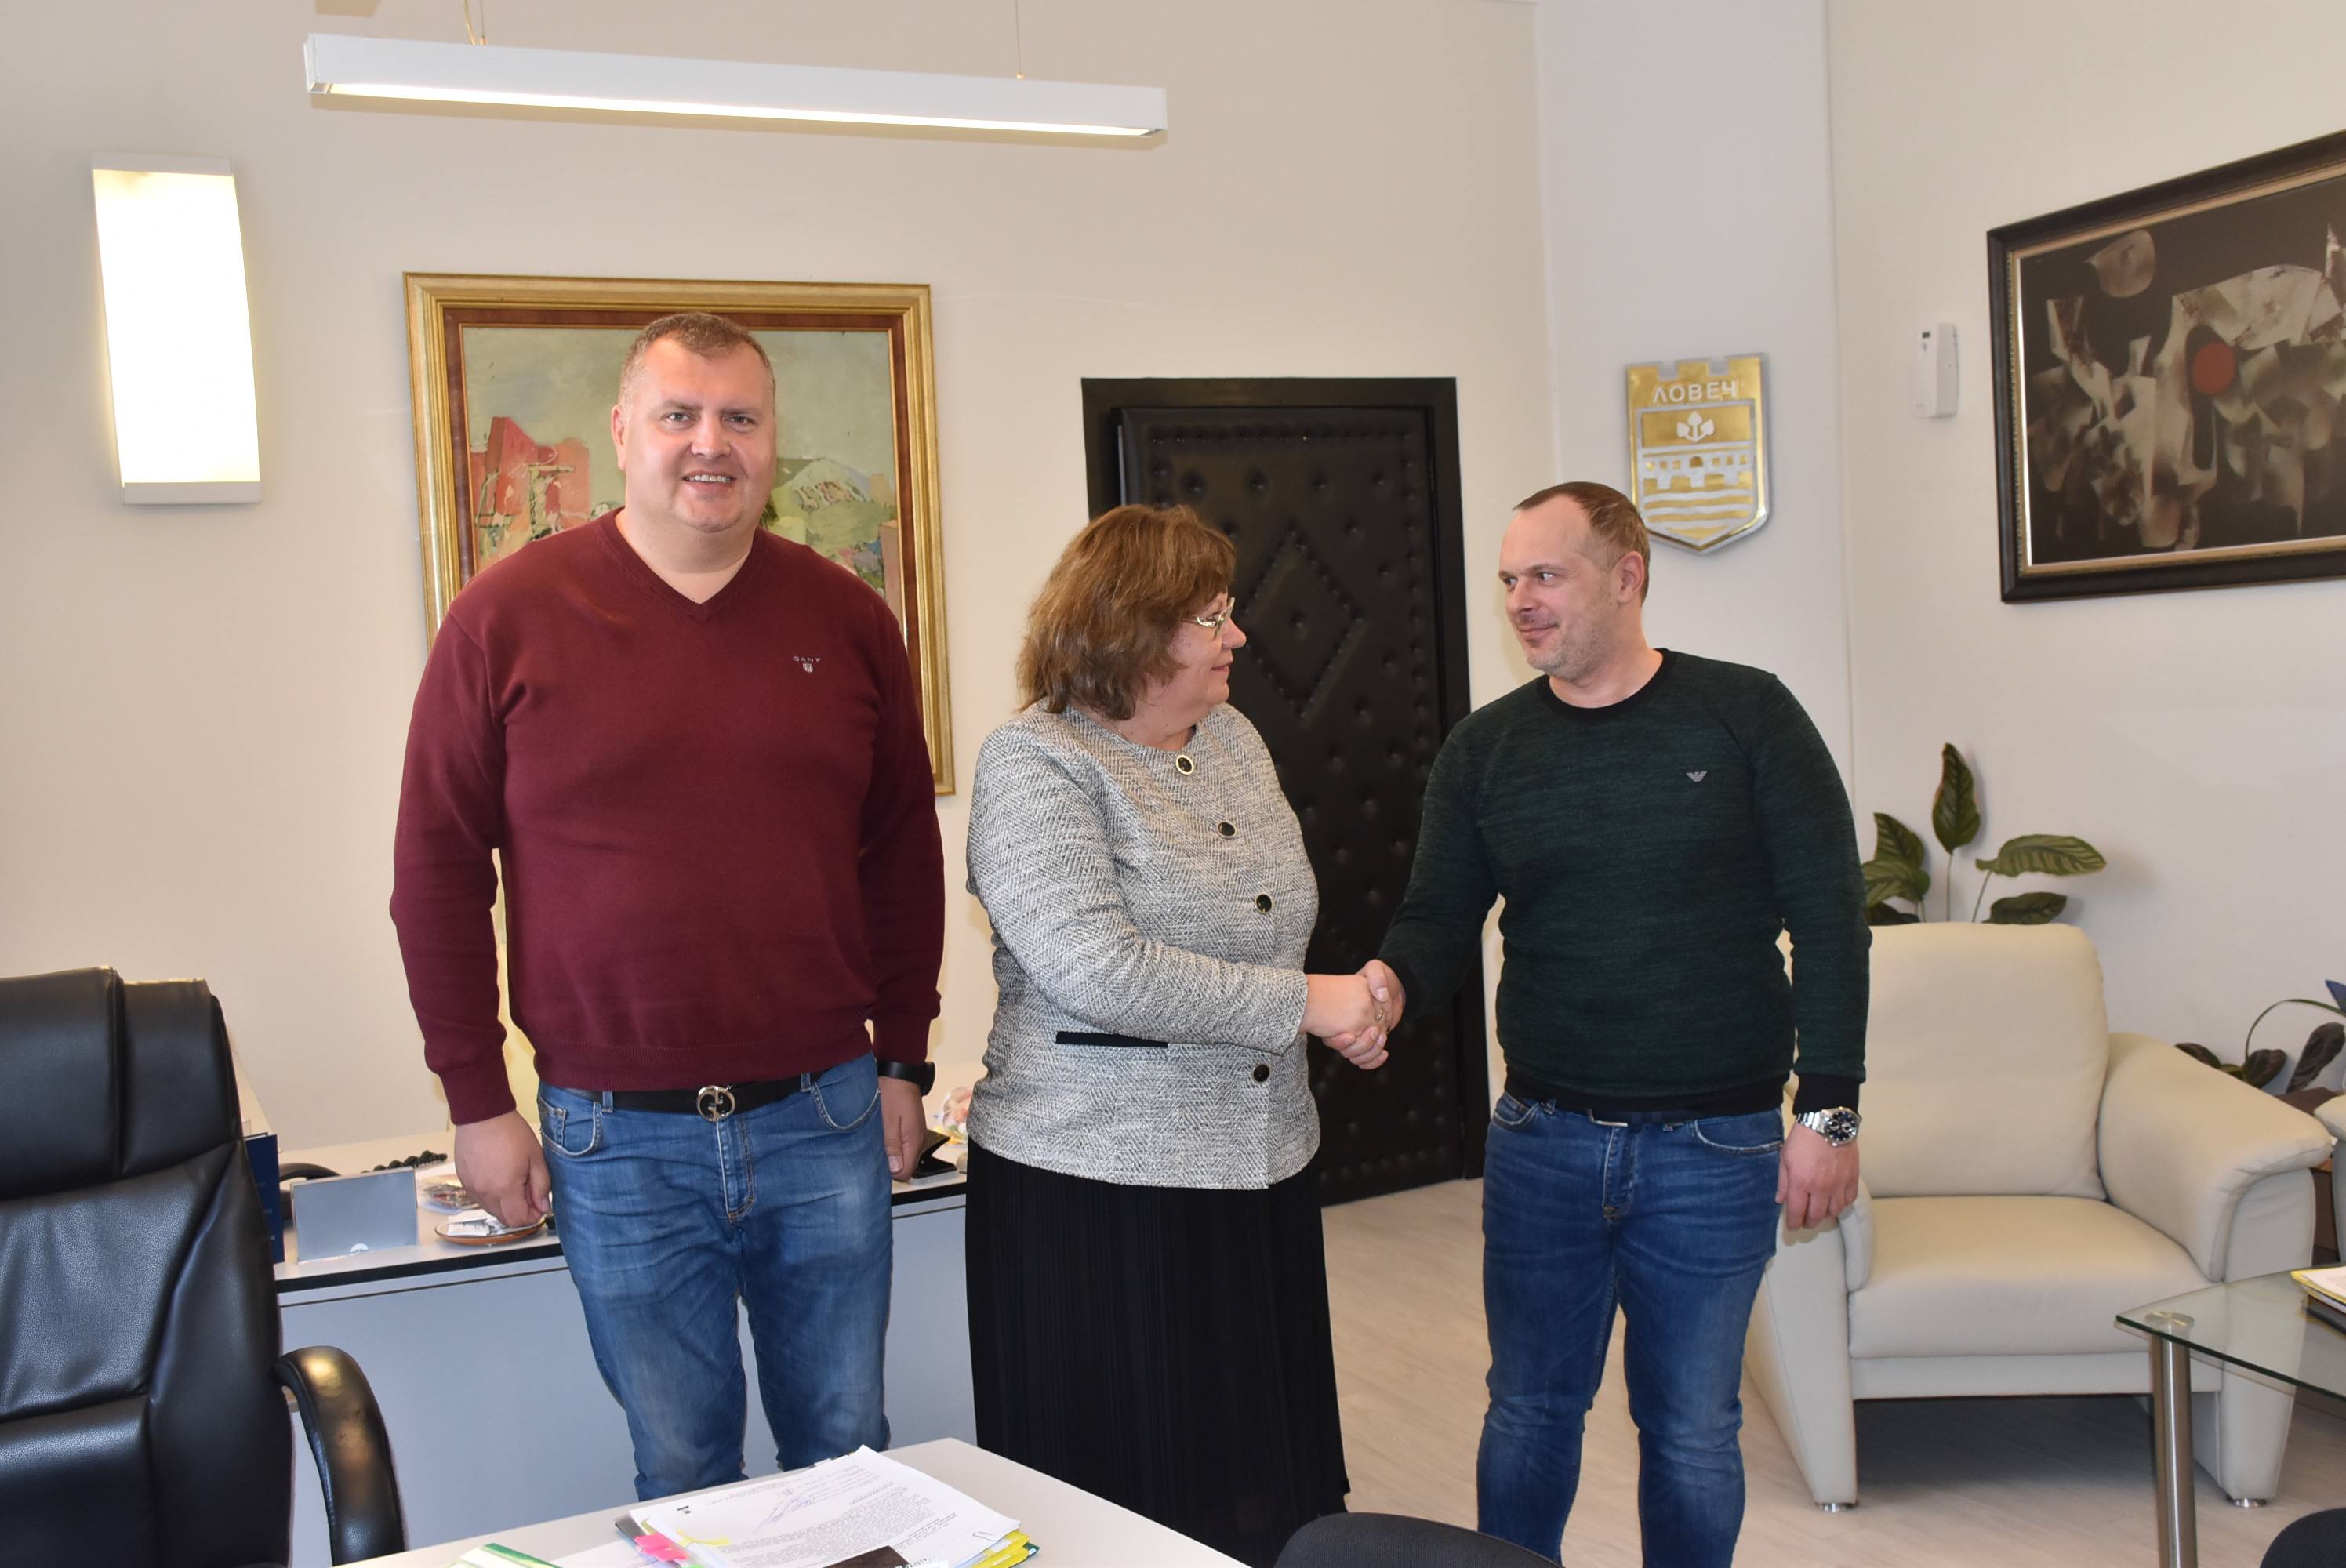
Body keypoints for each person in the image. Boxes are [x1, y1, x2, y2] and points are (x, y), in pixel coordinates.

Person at [389, 312, 944, 1499]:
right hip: (614, 1135)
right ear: (621, 430)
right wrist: (476, 1100)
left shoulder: (850, 622)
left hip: (826, 1114)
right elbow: (435, 871)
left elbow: (901, 851)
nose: (710, 443)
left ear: (772, 437)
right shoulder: (505, 617)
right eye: (679, 414)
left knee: (848, 1453)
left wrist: (905, 1057)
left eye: (740, 417)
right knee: (684, 1467)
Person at [1365, 481, 1868, 1566]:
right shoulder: (1486, 750)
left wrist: (1829, 1113)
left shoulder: (1748, 715)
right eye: (1510, 579)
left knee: (1691, 1430)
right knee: (1528, 1410)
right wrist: (1386, 989)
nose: (1521, 601)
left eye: (1546, 575)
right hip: (1542, 1141)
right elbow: (1439, 917)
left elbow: (1832, 922)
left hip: (1715, 1146)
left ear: (1628, 576)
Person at [962, 503, 1392, 1567]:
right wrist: (1307, 1004)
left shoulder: (1234, 738)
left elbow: (1268, 919)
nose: (1237, 635)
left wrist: (1341, 1008)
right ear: (1131, 632)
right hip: (1100, 1184)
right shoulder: (1037, 761)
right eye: (1210, 618)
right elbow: (1095, 968)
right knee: (1128, 1495)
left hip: (1260, 1164)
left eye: (1228, 610)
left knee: (1255, 1480)